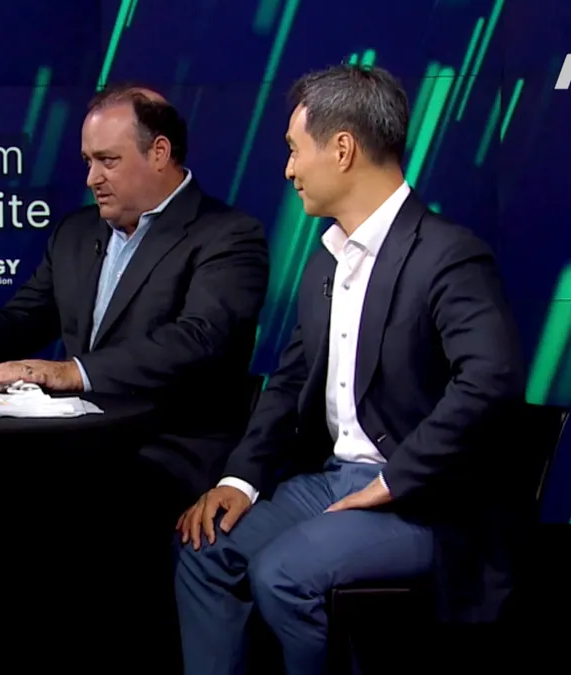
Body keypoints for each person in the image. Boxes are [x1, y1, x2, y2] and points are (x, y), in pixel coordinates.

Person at [173, 65, 526, 674]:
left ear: (342, 149)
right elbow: (287, 383)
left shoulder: (447, 253)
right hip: (333, 480)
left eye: (292, 150)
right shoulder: (327, 259)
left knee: (280, 574)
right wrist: (239, 481)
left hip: (424, 500)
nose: (287, 170)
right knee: (206, 553)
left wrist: (393, 482)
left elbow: (489, 381)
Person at [0, 83, 269, 506]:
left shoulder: (227, 235)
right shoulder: (76, 232)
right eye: (88, 161)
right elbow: (28, 318)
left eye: (108, 161)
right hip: (80, 437)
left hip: (171, 444)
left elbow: (199, 340)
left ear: (159, 153)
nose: (92, 178)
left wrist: (75, 371)